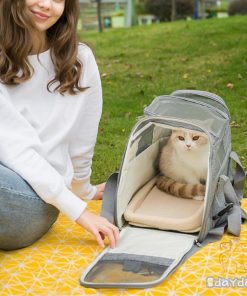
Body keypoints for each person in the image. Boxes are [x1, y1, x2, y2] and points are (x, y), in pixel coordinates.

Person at [0, 0, 119, 251]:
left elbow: (82, 142)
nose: (46, 5)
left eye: (57, 0)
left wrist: (82, 194)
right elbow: (14, 148)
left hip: (30, 205)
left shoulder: (79, 60)